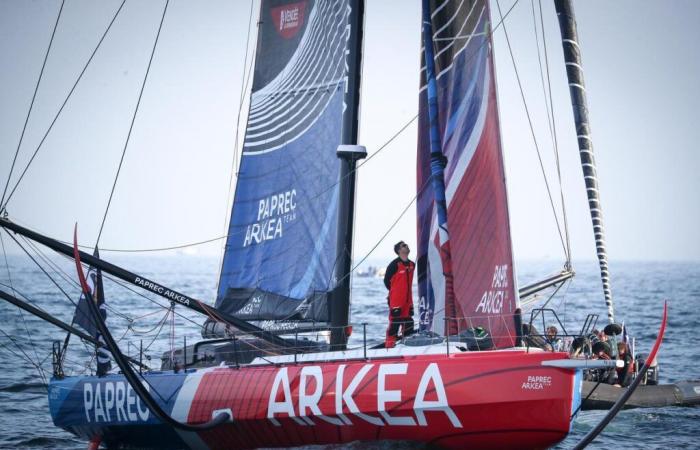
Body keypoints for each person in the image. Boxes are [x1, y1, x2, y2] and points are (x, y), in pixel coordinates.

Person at [383, 241, 415, 348]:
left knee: (409, 322)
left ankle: (407, 345)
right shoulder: (394, 265)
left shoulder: (412, 265)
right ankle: (389, 345)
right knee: (395, 322)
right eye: (404, 246)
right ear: (399, 251)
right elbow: (387, 281)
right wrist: (394, 293)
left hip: (408, 299)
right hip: (396, 299)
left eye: (406, 245)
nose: (407, 246)